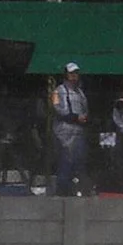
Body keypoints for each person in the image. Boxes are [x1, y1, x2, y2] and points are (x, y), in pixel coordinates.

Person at [46, 62, 89, 197]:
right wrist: (74, 117)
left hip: (78, 132)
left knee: (79, 162)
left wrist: (83, 118)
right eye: (71, 73)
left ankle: (76, 189)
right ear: (66, 74)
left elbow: (85, 109)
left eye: (76, 73)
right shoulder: (57, 91)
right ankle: (62, 190)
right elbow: (57, 108)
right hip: (63, 132)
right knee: (65, 161)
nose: (74, 76)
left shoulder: (80, 93)